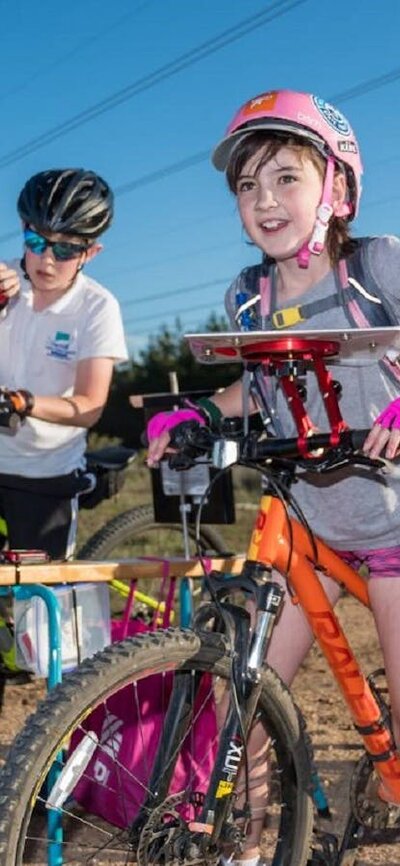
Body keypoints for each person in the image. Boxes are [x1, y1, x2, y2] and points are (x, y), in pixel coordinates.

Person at [147, 89, 400, 859]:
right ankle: (250, 844)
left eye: (286, 178)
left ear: (339, 190)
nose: (264, 199)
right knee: (247, 701)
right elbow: (248, 388)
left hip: (393, 520)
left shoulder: (378, 266)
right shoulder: (247, 299)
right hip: (308, 520)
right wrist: (195, 413)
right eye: (247, 185)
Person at [0, 168, 128, 560]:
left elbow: (90, 406)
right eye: (36, 240)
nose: (47, 259)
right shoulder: (3, 282)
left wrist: (25, 402)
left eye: (67, 249)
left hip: (46, 475)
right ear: (23, 228)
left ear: (91, 252)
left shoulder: (97, 307)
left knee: (38, 616)